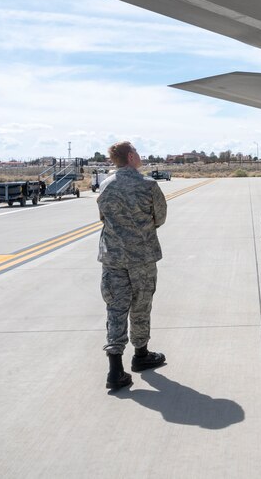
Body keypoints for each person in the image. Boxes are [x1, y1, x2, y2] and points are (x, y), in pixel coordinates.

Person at [97, 141, 168, 391]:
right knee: (141, 304)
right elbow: (160, 217)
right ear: (130, 156)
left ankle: (115, 369)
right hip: (142, 256)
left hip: (113, 257)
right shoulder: (148, 185)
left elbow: (102, 218)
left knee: (115, 307)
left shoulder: (105, 185)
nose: (140, 155)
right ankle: (141, 354)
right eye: (137, 151)